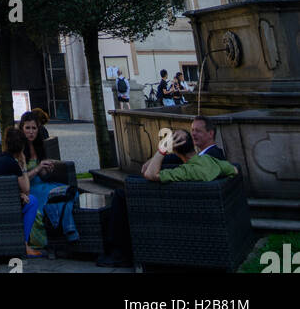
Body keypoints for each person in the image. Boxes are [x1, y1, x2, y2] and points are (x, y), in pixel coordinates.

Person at [97, 130, 237, 267]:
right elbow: (234, 170)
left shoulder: (184, 172)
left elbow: (149, 173)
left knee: (120, 196)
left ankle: (119, 253)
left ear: (173, 149)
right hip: (195, 213)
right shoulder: (209, 161)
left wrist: (162, 150)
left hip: (167, 214)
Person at [18, 113, 79, 249]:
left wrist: (46, 169)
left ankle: (68, 227)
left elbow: (43, 173)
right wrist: (38, 168)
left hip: (42, 184)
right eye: (27, 128)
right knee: (56, 197)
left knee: (69, 192)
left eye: (34, 128)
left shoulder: (39, 146)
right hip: (29, 188)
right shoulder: (19, 150)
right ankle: (68, 229)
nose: (31, 132)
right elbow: (22, 180)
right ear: (22, 129)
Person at [0, 127, 41, 254]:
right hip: (1, 208)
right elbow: (27, 189)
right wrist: (23, 165)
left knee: (27, 199)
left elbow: (3, 186)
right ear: (21, 147)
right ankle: (24, 244)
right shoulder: (12, 163)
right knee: (32, 201)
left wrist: (18, 194)